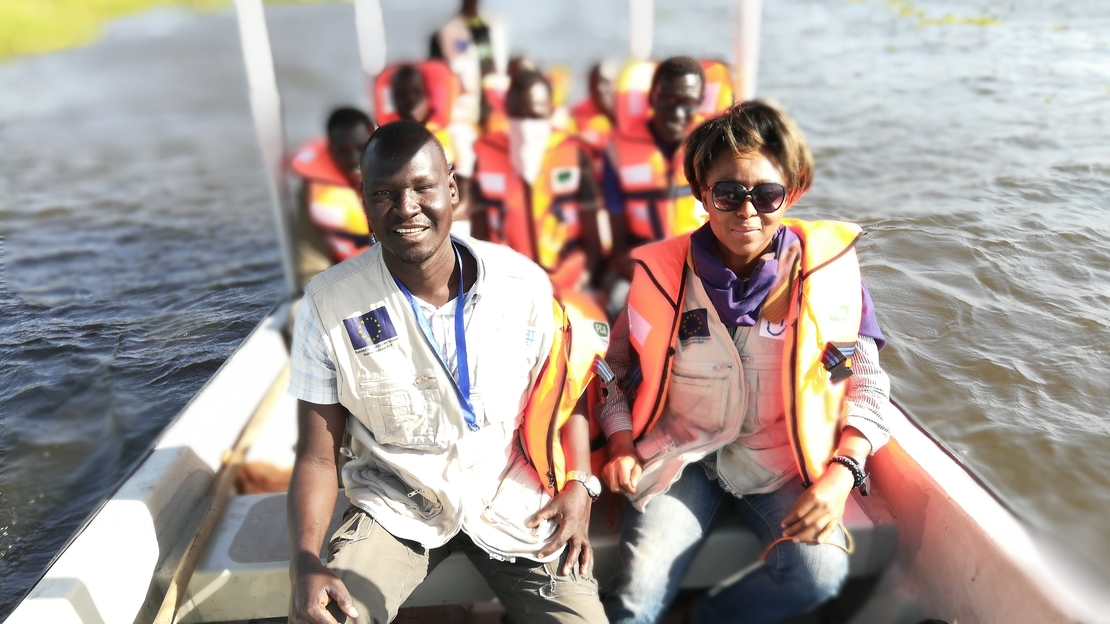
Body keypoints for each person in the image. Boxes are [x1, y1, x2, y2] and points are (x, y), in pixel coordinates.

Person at [286, 120, 609, 624]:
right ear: (364, 201)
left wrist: (578, 485)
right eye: (385, 194)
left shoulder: (522, 283)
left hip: (514, 497)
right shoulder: (326, 306)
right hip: (397, 503)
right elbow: (317, 459)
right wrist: (305, 563)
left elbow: (565, 397)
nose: (407, 208)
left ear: (452, 189)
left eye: (422, 188)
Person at [598, 101, 891, 624]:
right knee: (636, 599)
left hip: (778, 463)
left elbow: (865, 384)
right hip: (679, 456)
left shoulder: (830, 278)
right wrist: (620, 442)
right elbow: (610, 372)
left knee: (818, 574)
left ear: (793, 190)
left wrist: (843, 473)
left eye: (767, 194)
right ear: (701, 194)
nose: (747, 212)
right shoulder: (661, 275)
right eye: (728, 194)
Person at [471, 70, 603, 294]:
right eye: (518, 115)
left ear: (550, 112)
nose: (525, 125)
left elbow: (593, 241)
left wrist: (584, 280)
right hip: (508, 284)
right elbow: (478, 238)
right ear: (506, 111)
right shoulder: (484, 157)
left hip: (569, 281)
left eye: (535, 116)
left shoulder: (575, 154)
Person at [600, 56, 708, 316]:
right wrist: (634, 264)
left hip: (703, 258)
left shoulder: (713, 148)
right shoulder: (616, 153)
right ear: (653, 99)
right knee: (615, 301)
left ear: (700, 102)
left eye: (688, 103)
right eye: (669, 99)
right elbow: (619, 240)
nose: (678, 112)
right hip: (644, 259)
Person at [289, 107, 375, 289]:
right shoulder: (311, 193)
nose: (353, 158)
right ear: (330, 151)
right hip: (349, 280)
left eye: (361, 148)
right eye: (344, 151)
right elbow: (311, 262)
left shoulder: (398, 176)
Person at [386, 63, 474, 232]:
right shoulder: (386, 143)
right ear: (394, 100)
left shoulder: (457, 136)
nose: (410, 101)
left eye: (416, 93)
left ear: (428, 95)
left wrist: (434, 225)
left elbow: (469, 198)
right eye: (402, 95)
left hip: (453, 225)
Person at [430, 0, 508, 128]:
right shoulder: (444, 32)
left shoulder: (494, 26)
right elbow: (436, 74)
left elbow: (501, 64)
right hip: (461, 109)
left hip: (492, 106)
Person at [570, 60, 618, 156]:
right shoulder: (578, 115)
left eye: (606, 82)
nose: (600, 88)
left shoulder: (634, 115)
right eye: (595, 83)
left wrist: (600, 138)